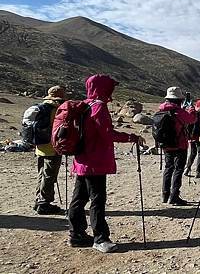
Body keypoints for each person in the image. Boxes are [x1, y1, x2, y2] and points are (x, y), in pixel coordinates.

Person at [68, 75, 144, 253]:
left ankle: (76, 234)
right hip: (95, 162)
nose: (112, 91)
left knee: (79, 198)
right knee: (97, 200)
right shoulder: (99, 107)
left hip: (81, 160)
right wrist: (131, 137)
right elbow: (107, 134)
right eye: (110, 87)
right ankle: (100, 238)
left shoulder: (84, 105)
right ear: (103, 88)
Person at [159, 87, 197, 205]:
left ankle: (165, 195)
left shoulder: (161, 109)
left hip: (166, 145)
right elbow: (192, 120)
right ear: (179, 100)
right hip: (179, 145)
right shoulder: (178, 111)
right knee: (178, 170)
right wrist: (191, 110)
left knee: (168, 168)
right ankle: (174, 196)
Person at [33, 86, 66, 215]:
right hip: (52, 147)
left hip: (40, 147)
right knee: (49, 176)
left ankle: (39, 200)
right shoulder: (56, 109)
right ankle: (44, 204)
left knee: (42, 174)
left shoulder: (41, 107)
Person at [184, 99, 200, 178]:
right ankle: (198, 171)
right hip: (199, 137)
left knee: (192, 153)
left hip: (191, 137)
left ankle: (187, 169)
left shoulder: (192, 113)